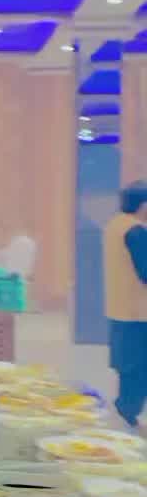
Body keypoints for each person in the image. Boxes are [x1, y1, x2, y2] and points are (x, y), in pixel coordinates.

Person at [104, 181, 147, 428]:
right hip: (139, 312)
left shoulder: (115, 225)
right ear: (144, 205)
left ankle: (126, 417)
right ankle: (127, 419)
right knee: (138, 370)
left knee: (129, 368)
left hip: (120, 309)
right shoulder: (136, 232)